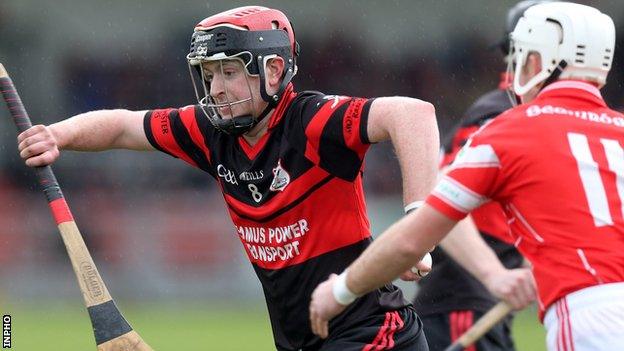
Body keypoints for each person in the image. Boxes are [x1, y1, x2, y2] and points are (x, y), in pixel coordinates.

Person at [17, 5, 443, 350]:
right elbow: (124, 126)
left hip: (372, 333)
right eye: (208, 73)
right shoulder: (210, 131)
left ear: (274, 70)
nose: (215, 88)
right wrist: (57, 135)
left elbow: (412, 113)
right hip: (302, 340)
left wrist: (417, 223)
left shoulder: (310, 121)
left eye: (229, 71)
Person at [309, 2, 624, 351]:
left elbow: (412, 240)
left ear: (536, 62)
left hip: (588, 322)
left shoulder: (507, 131)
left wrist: (340, 291)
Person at [412, 2, 547, 350]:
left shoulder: (522, 114)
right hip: (462, 306)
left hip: (476, 304)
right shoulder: (497, 116)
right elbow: (441, 196)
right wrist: (494, 275)